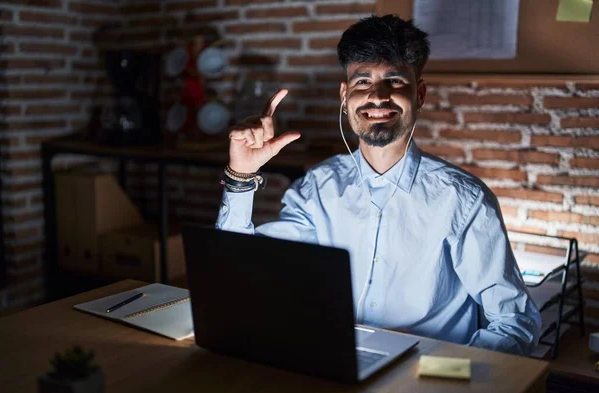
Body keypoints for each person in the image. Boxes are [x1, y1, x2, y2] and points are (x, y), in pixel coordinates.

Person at [216, 15, 541, 356]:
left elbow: (515, 324)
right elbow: (240, 270)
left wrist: (444, 374)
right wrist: (240, 176)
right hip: (334, 368)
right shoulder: (317, 187)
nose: (377, 95)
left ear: (420, 95)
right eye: (362, 82)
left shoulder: (464, 199)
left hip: (428, 381)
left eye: (395, 80)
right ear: (345, 97)